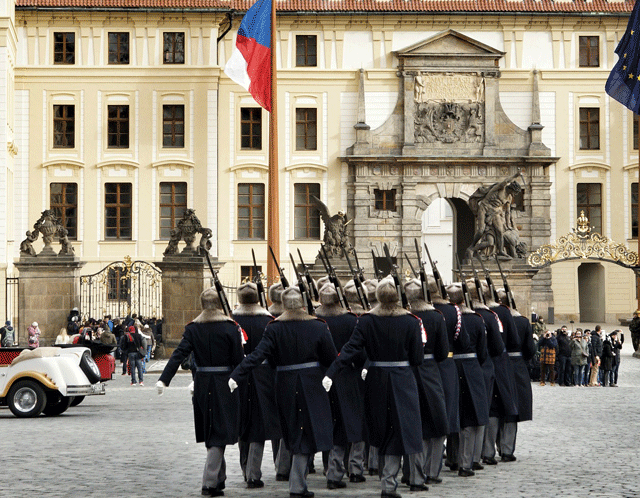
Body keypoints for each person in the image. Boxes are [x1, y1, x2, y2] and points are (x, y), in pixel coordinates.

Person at [230, 286, 338, 498]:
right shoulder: (318, 326)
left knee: (295, 432)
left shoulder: (274, 328)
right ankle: (297, 484)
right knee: (305, 432)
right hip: (311, 384)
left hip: (284, 384)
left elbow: (258, 355)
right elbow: (330, 357)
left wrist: (237, 373)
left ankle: (297, 482)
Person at [324, 277, 425, 498]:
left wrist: (333, 370)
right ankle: (389, 483)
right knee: (401, 429)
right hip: (402, 380)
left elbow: (351, 348)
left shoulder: (368, 321)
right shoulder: (411, 322)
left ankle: (386, 480)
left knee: (382, 429)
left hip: (377, 379)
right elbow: (418, 358)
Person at [157, 287, 245, 497]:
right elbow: (238, 359)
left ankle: (219, 478)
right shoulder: (230, 327)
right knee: (219, 432)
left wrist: (164, 379)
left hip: (203, 382)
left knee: (213, 430)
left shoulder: (193, 329)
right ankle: (209, 482)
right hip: (225, 382)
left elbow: (179, 355)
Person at [315, 282, 366, 490]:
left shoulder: (315, 320)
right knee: (354, 422)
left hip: (323, 376)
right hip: (348, 376)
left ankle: (332, 468)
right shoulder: (351, 320)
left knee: (332, 423)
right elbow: (360, 350)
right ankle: (355, 469)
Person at [231, 282, 279, 489]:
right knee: (258, 425)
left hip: (238, 375)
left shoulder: (231, 320)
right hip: (263, 374)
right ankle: (253, 472)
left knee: (243, 422)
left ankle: (245, 468)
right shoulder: (269, 321)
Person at [404, 278, 449, 488]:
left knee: (413, 425)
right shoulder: (436, 317)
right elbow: (442, 352)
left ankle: (412, 472)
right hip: (430, 372)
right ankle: (431, 471)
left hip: (407, 373)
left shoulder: (405, 316)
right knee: (437, 423)